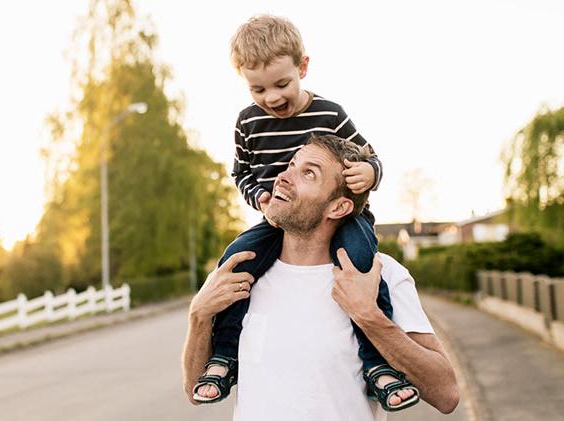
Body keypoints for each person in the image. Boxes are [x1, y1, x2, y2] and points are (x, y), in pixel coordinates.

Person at [195, 14, 407, 410]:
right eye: (257, 88)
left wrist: (369, 173)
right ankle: (224, 354)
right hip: (277, 217)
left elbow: (370, 155)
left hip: (343, 217)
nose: (272, 97)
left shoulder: (330, 114)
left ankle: (379, 365)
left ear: (302, 67)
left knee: (361, 263)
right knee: (235, 261)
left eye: (281, 84)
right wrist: (258, 195)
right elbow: (241, 171)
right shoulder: (247, 122)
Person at [182, 136, 460, 420]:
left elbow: (446, 394)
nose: (283, 177)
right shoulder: (242, 272)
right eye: (291, 165)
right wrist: (199, 316)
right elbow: (194, 389)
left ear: (338, 207)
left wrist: (369, 316)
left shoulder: (380, 274)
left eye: (309, 173)